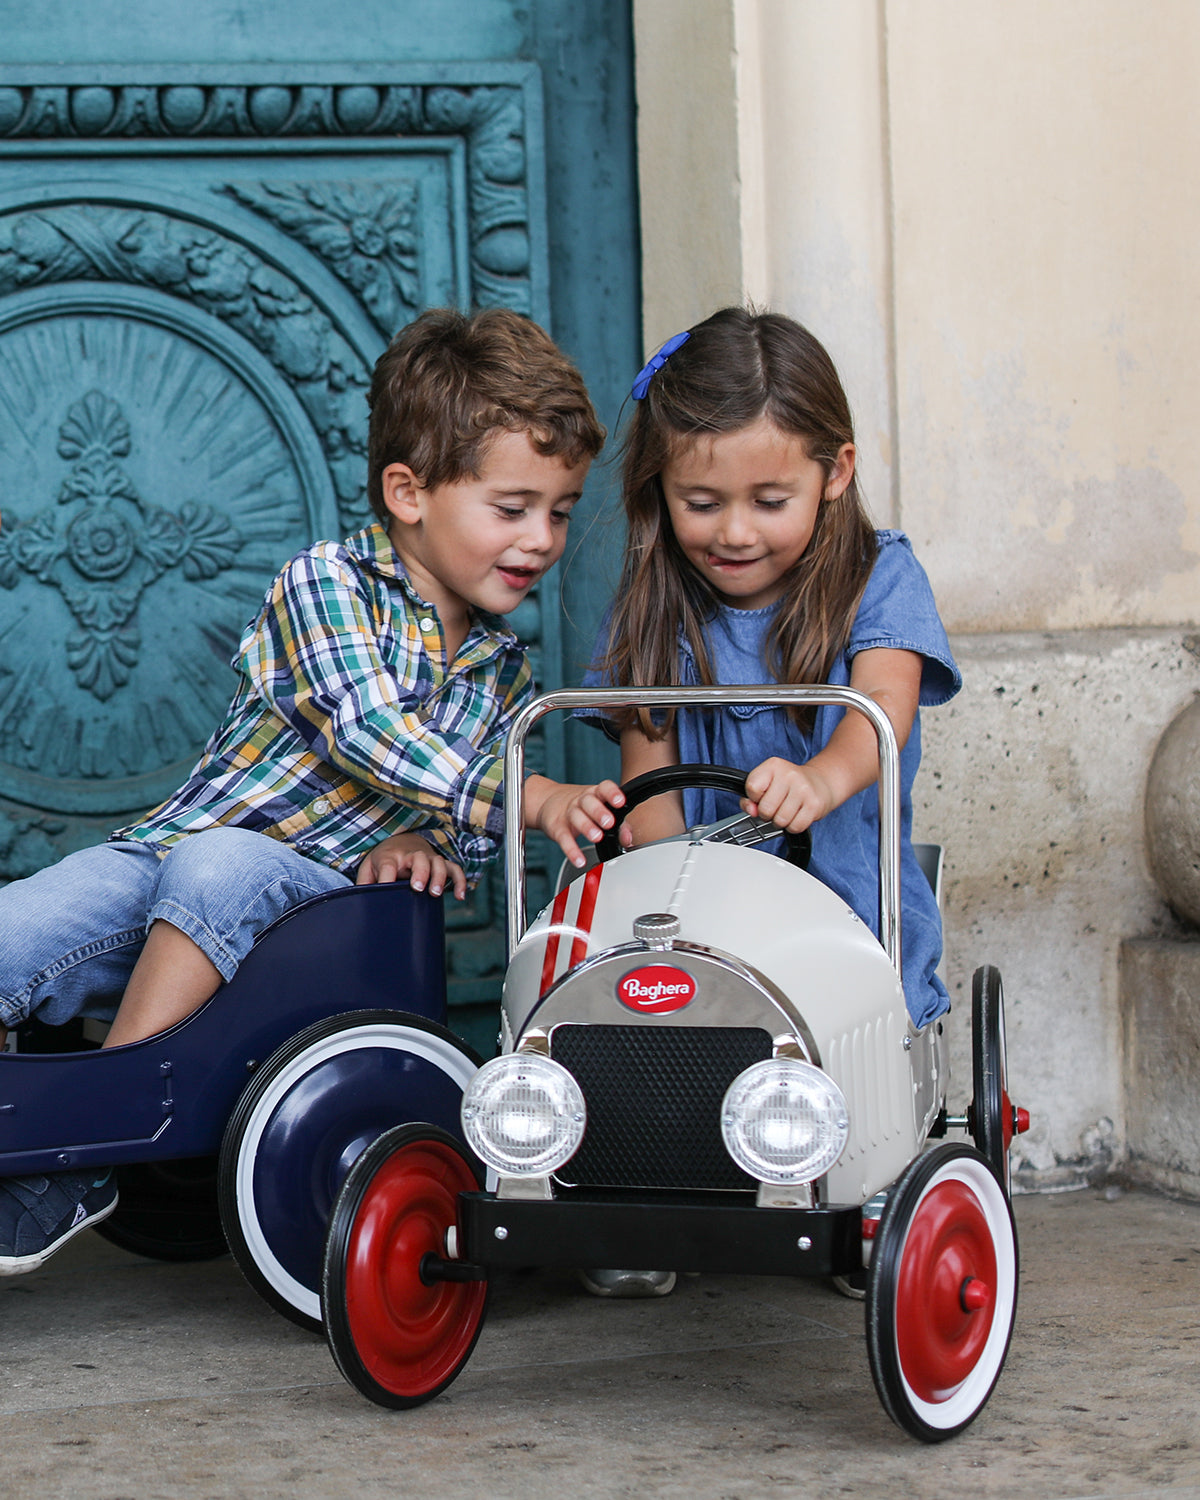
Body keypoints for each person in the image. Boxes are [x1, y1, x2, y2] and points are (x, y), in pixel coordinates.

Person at [0, 306, 626, 1275]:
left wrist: (428, 847)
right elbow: (365, 726)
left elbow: (445, 844)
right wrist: (524, 797)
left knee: (226, 867)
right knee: (24, 929)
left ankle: (94, 1146)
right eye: (512, 508)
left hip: (316, 916)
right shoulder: (326, 585)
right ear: (408, 492)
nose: (541, 537)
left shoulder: (504, 674)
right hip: (166, 861)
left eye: (561, 510)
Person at [576, 307, 960, 1295]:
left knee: (847, 1022)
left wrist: (823, 777)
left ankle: (867, 1186)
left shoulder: (880, 575)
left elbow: (883, 704)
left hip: (839, 888)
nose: (734, 532)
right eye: (702, 501)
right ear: (661, 488)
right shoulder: (664, 599)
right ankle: (645, 1196)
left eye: (768, 499)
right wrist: (662, 898)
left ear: (835, 472)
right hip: (701, 900)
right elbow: (647, 779)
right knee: (648, 1007)